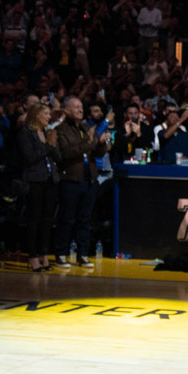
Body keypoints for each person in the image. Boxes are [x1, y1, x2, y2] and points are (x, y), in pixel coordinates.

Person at [53, 95, 111, 268]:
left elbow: (98, 153)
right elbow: (68, 153)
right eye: (76, 107)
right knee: (66, 218)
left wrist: (101, 144)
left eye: (81, 107)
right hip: (70, 179)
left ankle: (83, 254)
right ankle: (61, 253)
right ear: (66, 110)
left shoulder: (86, 128)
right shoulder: (61, 129)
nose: (80, 110)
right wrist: (90, 142)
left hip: (88, 179)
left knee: (85, 219)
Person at [17, 103, 61, 272]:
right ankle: (32, 255)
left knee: (48, 219)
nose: (49, 117)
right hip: (35, 181)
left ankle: (43, 253)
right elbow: (29, 158)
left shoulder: (46, 132)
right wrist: (48, 146)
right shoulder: (26, 133)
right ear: (36, 115)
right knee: (34, 218)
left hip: (50, 180)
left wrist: (53, 145)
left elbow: (56, 157)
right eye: (46, 114)